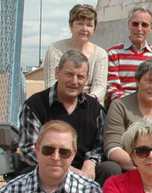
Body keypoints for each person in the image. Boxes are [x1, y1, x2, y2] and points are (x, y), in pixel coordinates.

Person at [20, 51, 118, 184]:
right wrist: (67, 169)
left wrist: (92, 161)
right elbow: (28, 149)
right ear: (57, 72)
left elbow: (101, 145)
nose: (74, 81)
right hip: (49, 165)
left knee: (111, 169)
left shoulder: (95, 109)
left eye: (80, 76)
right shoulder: (35, 105)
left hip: (85, 171)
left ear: (87, 78)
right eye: (69, 74)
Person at [43, 4, 108, 102]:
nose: (84, 29)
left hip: (89, 103)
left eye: (89, 25)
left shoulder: (100, 54)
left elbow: (100, 86)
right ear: (71, 25)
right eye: (80, 24)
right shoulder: (55, 49)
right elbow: (51, 83)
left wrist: (90, 98)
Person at [105, 6, 152, 104]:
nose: (139, 28)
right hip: (122, 107)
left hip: (151, 106)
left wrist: (148, 103)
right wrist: (133, 105)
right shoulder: (113, 53)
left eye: (144, 25)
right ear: (129, 25)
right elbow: (112, 87)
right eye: (135, 24)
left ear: (151, 28)